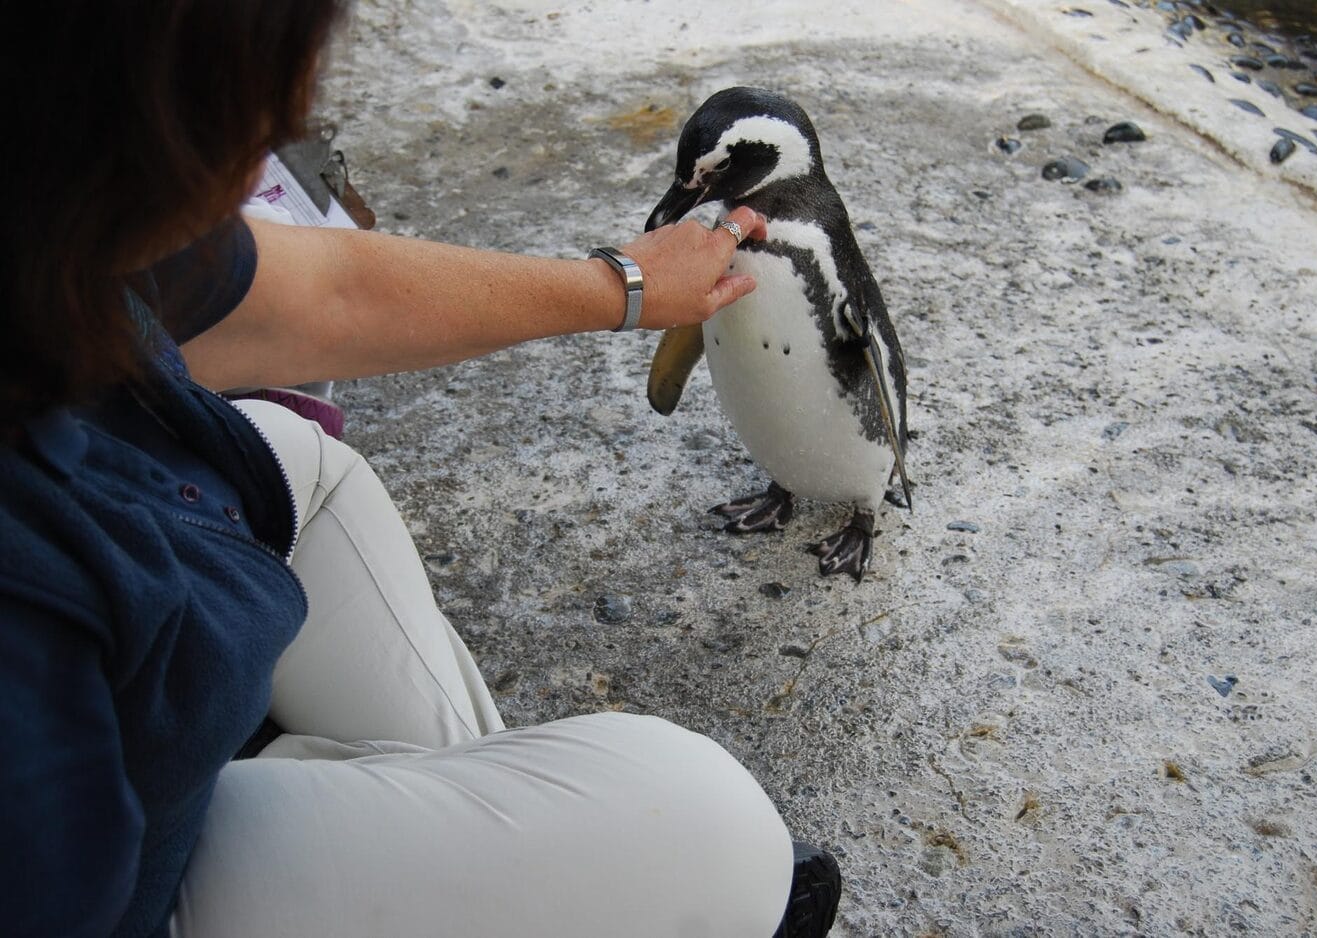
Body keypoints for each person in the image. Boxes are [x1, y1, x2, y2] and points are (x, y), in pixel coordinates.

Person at [0, 3, 841, 937]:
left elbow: (319, 290)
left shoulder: (51, 228)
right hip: (132, 879)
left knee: (307, 463)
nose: (274, 154)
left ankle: (514, 871)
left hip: (168, 612)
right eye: (241, 111)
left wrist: (624, 286)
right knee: (712, 830)